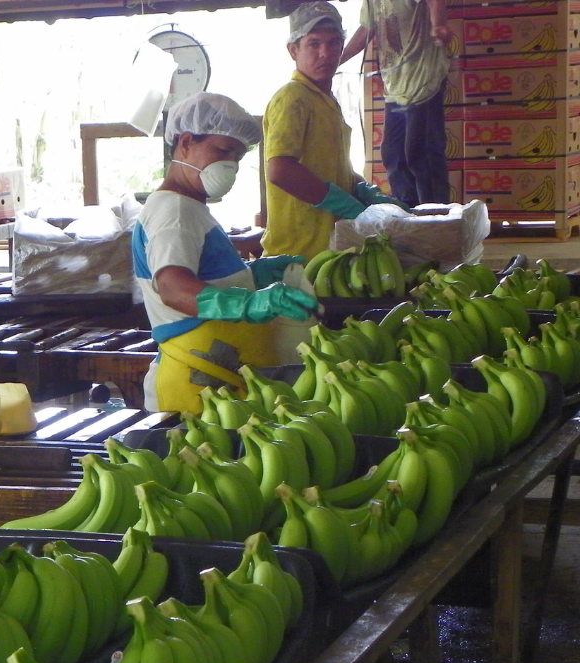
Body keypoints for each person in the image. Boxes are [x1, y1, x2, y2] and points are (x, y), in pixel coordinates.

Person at [134, 92, 318, 414]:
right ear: (186, 142)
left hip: (215, 375)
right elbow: (174, 288)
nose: (229, 164)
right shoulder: (174, 209)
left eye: (238, 155)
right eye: (222, 150)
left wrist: (251, 276)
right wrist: (251, 302)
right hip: (194, 386)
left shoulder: (190, 207)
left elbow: (201, 272)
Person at [262, 1, 405, 264]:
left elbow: (329, 167)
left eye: (333, 43)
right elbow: (280, 170)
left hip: (329, 249)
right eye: (313, 44)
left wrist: (364, 190)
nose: (325, 53)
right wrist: (345, 205)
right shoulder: (293, 97)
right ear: (294, 50)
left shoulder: (325, 101)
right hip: (298, 255)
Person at [340, 0, 451, 207]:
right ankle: (408, 212)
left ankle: (436, 217)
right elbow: (367, 28)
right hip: (395, 87)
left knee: (419, 154)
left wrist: (438, 25)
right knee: (393, 155)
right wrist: (336, 59)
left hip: (423, 81)